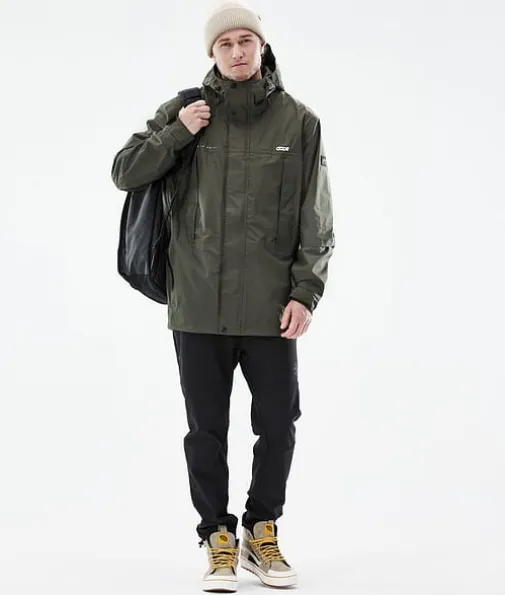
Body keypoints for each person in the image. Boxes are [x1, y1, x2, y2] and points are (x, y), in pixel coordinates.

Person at [111, 1, 335, 591]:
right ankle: (216, 536)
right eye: (225, 43)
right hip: (197, 305)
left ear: (262, 47)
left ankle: (262, 530)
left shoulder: (299, 122)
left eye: (246, 41)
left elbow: (317, 218)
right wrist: (178, 132)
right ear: (212, 53)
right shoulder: (184, 111)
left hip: (270, 307)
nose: (237, 51)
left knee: (278, 424)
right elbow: (124, 171)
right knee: (205, 430)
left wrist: (306, 292)